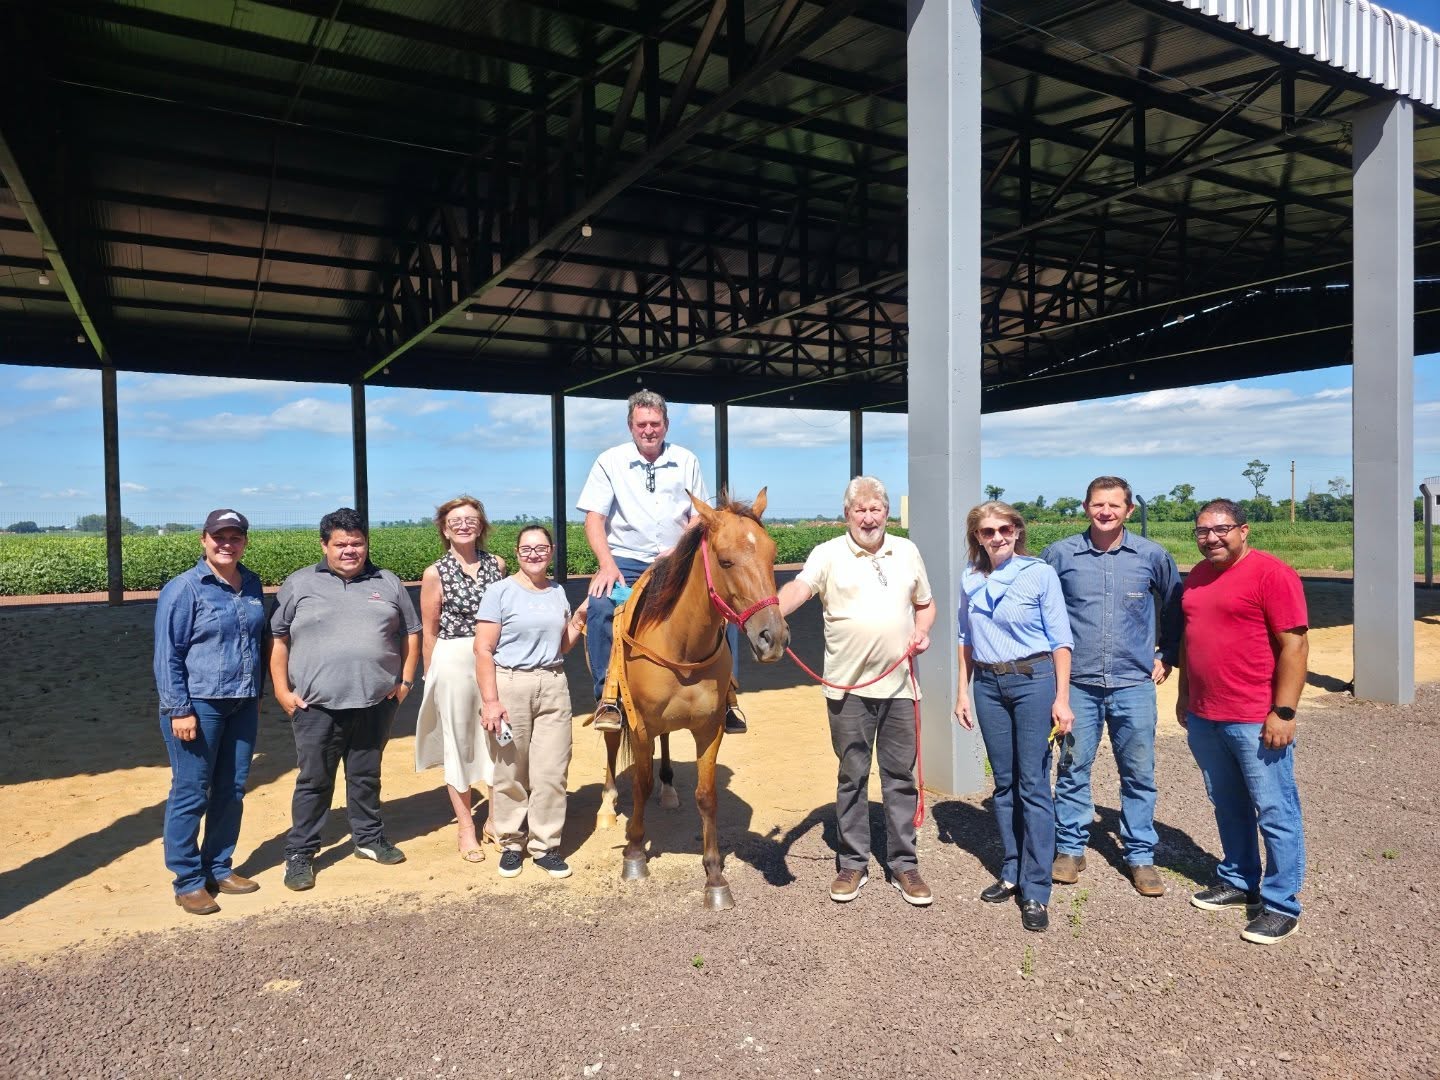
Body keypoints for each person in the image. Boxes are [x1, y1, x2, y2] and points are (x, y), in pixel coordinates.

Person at [776, 477, 936, 907]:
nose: (868, 517)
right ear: (847, 514)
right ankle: (853, 863)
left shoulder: (906, 551)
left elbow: (926, 603)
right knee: (852, 775)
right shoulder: (828, 554)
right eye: (860, 510)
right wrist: (770, 611)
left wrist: (922, 632)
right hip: (847, 687)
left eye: (875, 509)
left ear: (887, 512)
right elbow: (800, 588)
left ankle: (904, 864)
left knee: (900, 776)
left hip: (901, 684)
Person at [1041, 477, 1182, 897]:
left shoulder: (1152, 556)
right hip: (1078, 684)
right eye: (1098, 504)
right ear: (1085, 507)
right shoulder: (1060, 555)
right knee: (1071, 768)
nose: (1106, 512)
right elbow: (1041, 610)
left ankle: (1140, 854)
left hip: (1133, 683)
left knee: (1138, 772)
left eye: (1114, 505)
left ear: (1129, 510)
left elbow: (1176, 606)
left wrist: (1168, 654)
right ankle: (1070, 848)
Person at [1177, 499, 1308, 945]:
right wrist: (1183, 695)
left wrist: (1284, 711)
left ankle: (1280, 904)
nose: (1211, 538)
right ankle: (1239, 879)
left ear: (1244, 530)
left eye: (1221, 529)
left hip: (1255, 716)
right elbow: (1190, 640)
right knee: (1227, 803)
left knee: (1275, 810)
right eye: (1202, 531)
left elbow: (1294, 646)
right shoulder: (1196, 576)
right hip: (1206, 714)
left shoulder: (1272, 574)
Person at [270, 507, 421, 891]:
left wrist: (404, 681)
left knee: (366, 775)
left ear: (366, 544)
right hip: (316, 705)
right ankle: (301, 852)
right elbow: (279, 638)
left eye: (357, 543)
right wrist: (281, 690)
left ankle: (368, 839)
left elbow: (411, 632)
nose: (350, 550)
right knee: (314, 781)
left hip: (374, 701)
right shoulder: (299, 584)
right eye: (341, 544)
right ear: (325, 545)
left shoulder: (387, 582)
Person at [578, 389, 744, 734]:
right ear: (630, 426)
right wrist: (607, 565)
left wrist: (679, 549)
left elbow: (699, 517)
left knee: (724, 605)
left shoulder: (686, 460)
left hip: (676, 558)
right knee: (600, 605)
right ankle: (608, 697)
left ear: (666, 425)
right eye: (642, 424)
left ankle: (729, 696)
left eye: (655, 423)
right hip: (625, 560)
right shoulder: (610, 462)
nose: (648, 430)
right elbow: (594, 518)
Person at [954, 501, 1074, 933]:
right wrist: (962, 693)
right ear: (977, 538)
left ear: (1017, 531)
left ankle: (1036, 888)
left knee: (1034, 785)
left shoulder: (1038, 573)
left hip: (1033, 680)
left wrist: (1062, 698)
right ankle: (1011, 869)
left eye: (1005, 529)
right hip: (988, 685)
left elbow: (1061, 640)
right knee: (1004, 784)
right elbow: (966, 638)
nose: (998, 537)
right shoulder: (969, 578)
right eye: (988, 532)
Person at [154, 508, 268, 916]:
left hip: (242, 703)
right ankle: (187, 880)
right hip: (199, 705)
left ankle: (218, 866)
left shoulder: (252, 583)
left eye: (235, 537)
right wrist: (179, 709)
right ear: (204, 539)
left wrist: (258, 692)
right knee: (190, 791)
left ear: (244, 542)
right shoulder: (184, 589)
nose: (227, 544)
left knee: (232, 788)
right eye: (219, 536)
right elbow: (168, 656)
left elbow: (260, 641)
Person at [474, 525, 585, 879]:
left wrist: (580, 618)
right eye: (526, 549)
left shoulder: (557, 592)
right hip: (511, 684)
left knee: (552, 770)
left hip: (553, 682)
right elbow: (483, 648)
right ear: (517, 552)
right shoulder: (500, 592)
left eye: (540, 548)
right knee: (510, 768)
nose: (533, 554)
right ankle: (510, 842)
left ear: (551, 551)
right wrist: (490, 701)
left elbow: (562, 645)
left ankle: (545, 845)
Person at [415, 496, 505, 863]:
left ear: (481, 525)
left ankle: (498, 819)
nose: (464, 525)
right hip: (453, 659)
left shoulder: (497, 564)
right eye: (456, 520)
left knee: (498, 738)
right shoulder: (435, 572)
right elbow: (430, 630)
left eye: (471, 519)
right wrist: (429, 674)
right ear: (444, 528)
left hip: (494, 657)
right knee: (459, 741)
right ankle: (466, 826)